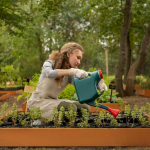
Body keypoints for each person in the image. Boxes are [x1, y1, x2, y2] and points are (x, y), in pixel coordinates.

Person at [27, 42, 107, 121]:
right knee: (70, 108)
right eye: (78, 57)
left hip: (53, 101)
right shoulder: (49, 64)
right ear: (68, 54)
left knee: (85, 108)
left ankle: (61, 122)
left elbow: (82, 82)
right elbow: (49, 73)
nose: (79, 62)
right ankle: (41, 121)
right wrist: (72, 71)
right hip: (38, 102)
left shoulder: (69, 74)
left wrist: (97, 82)